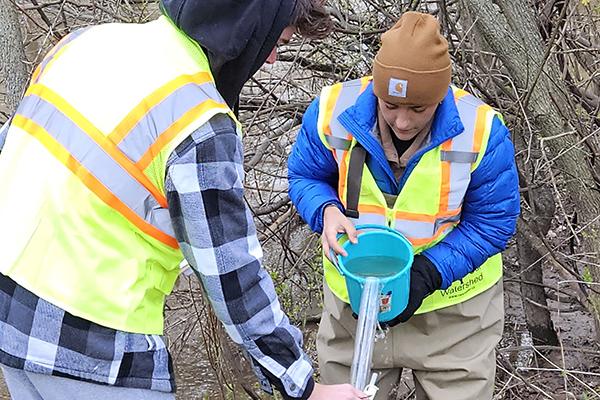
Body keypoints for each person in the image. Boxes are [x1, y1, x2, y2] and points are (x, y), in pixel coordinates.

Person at [0, 0, 367, 399]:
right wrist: (303, 386)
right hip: (94, 346)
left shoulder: (83, 43)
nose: (274, 59)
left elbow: (13, 153)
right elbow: (231, 273)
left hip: (11, 318)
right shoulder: (198, 119)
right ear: (246, 27)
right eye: (275, 40)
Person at [287, 11, 520, 400]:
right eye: (390, 104)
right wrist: (325, 211)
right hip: (355, 305)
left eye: (418, 109)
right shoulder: (331, 111)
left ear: (441, 96)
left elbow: (493, 223)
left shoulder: (482, 130)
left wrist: (428, 273)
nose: (402, 121)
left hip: (454, 315)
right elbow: (305, 177)